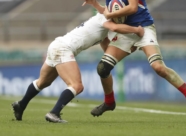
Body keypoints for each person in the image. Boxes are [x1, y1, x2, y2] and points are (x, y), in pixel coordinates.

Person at [81, 0, 186, 117]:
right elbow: (109, 12)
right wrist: (95, 5)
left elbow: (132, 7)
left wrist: (109, 15)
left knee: (158, 67)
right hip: (127, 32)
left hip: (143, 29)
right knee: (102, 68)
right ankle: (109, 102)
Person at [11, 12, 144, 123]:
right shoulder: (103, 17)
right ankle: (54, 113)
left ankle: (20, 105)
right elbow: (115, 28)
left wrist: (129, 50)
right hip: (63, 48)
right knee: (77, 86)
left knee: (43, 82)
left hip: (57, 45)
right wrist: (137, 30)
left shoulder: (104, 28)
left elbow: (108, 52)